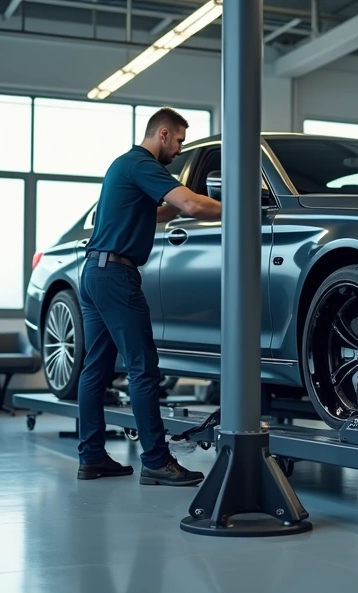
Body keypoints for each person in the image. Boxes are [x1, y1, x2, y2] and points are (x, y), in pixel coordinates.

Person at [75, 107, 222, 486]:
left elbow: (155, 214)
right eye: (178, 142)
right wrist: (235, 207)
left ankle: (91, 458)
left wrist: (178, 204)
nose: (178, 151)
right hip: (116, 276)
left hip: (95, 271)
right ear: (163, 133)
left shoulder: (122, 166)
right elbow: (190, 205)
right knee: (144, 369)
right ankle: (157, 461)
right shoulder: (141, 163)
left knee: (96, 369)